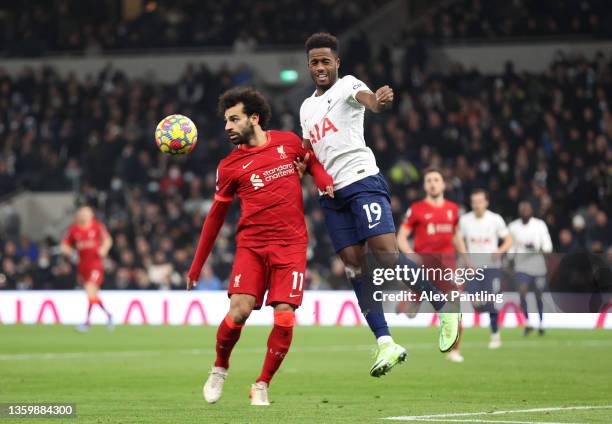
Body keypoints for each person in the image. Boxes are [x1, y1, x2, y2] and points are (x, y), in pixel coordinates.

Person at [299, 32, 461, 377]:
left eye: (326, 60)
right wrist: (300, 166)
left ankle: (443, 305)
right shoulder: (306, 107)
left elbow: (371, 102)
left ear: (337, 63)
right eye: (314, 62)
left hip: (361, 182)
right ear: (309, 66)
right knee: (355, 268)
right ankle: (386, 342)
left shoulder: (348, 86)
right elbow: (308, 152)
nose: (320, 67)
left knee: (386, 253)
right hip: (331, 197)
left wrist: (381, 101)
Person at [186, 87, 333, 406]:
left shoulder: (289, 142)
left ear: (254, 118)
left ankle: (262, 383)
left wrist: (322, 181)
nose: (227, 126)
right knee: (238, 312)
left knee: (284, 317)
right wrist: (196, 266)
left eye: (234, 119)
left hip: (292, 245)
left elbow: (314, 163)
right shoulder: (229, 167)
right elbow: (214, 218)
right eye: (226, 120)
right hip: (252, 245)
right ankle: (220, 367)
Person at [397, 167, 468, 363]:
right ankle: (405, 303)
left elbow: (456, 235)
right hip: (424, 269)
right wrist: (410, 255)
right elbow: (401, 236)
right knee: (410, 313)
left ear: (443, 184)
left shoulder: (453, 209)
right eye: (429, 180)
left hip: (448, 268)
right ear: (424, 185)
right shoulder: (416, 209)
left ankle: (455, 350)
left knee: (455, 308)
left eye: (436, 179)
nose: (433, 183)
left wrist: (466, 259)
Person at [459, 189, 513, 349]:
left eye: (480, 201)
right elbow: (459, 240)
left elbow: (509, 240)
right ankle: (483, 312)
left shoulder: (495, 219)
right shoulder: (465, 220)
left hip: (491, 267)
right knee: (475, 303)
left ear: (486, 202)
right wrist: (465, 258)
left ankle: (495, 334)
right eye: (474, 202)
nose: (477, 205)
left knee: (491, 303)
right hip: (473, 268)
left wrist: (500, 251)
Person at [61, 206, 113, 331]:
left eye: (86, 213)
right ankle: (108, 316)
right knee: (92, 295)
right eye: (82, 213)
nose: (84, 216)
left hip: (95, 265)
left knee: (90, 290)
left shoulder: (97, 226)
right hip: (82, 266)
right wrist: (72, 254)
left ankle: (87, 323)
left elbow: (108, 240)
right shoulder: (74, 230)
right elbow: (64, 246)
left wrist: (103, 249)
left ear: (91, 215)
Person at [508, 201, 553, 336]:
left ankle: (541, 323)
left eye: (527, 210)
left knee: (539, 295)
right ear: (519, 212)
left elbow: (547, 245)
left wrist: (538, 248)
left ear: (532, 211)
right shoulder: (513, 227)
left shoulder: (539, 225)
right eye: (523, 210)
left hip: (538, 267)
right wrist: (510, 256)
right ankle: (527, 322)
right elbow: (510, 246)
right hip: (521, 266)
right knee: (522, 292)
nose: (525, 212)